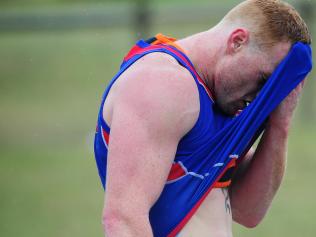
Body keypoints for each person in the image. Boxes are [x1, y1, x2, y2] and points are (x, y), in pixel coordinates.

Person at [93, 0, 312, 236]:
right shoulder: (161, 83)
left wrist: (280, 125)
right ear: (237, 41)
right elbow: (123, 219)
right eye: (263, 81)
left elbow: (248, 211)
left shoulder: (220, 104)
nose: (260, 97)